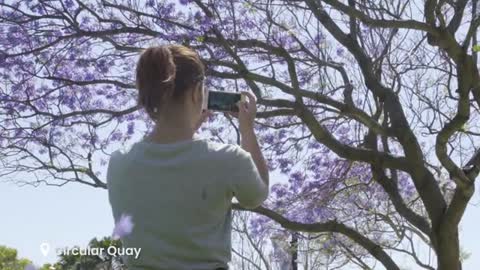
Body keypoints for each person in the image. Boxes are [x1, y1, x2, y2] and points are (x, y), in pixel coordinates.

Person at [107, 44, 270, 270]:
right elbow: (257, 194)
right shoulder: (229, 159)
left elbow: (172, 176)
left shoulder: (118, 164)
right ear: (197, 93)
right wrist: (247, 130)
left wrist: (187, 130)